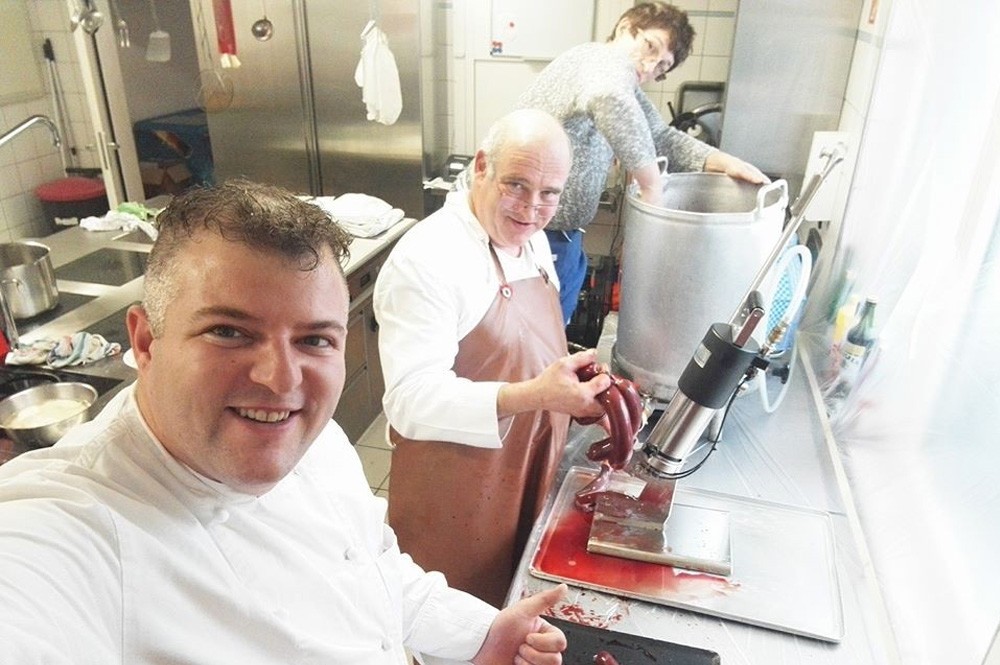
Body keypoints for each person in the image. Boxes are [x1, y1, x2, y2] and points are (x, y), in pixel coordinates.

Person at [0, 179, 571, 664]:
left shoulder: (316, 439)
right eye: (229, 332)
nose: (281, 380)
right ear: (147, 341)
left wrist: (480, 635)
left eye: (315, 339)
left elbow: (370, 570)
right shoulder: (71, 529)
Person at [374, 110, 612, 607]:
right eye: (516, 185)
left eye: (549, 193)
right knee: (455, 626)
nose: (531, 208)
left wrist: (579, 389)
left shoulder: (533, 241)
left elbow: (528, 348)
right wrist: (535, 395)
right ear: (482, 166)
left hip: (527, 470)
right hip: (457, 492)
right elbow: (409, 401)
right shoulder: (428, 258)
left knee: (514, 614)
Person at [517, 1, 769, 323]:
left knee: (550, 331)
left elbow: (659, 136)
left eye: (662, 67)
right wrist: (652, 187)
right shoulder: (600, 60)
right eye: (650, 46)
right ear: (625, 28)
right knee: (531, 336)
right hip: (529, 231)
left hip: (561, 234)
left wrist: (721, 161)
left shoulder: (622, 84)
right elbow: (608, 96)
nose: (650, 66)